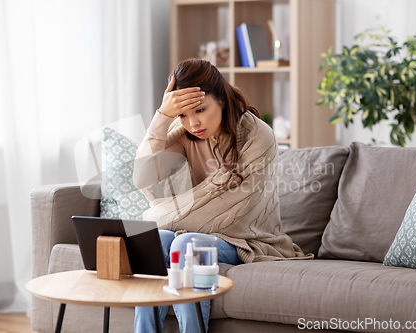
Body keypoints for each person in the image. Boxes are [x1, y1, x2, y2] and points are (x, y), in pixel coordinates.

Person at [133, 58, 312, 333]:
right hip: (192, 230)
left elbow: (236, 211)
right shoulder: (183, 133)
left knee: (186, 245)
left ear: (223, 101)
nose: (193, 123)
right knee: (155, 239)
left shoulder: (257, 136)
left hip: (247, 239)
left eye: (201, 110)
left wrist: (164, 218)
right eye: (183, 114)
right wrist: (162, 116)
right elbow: (142, 178)